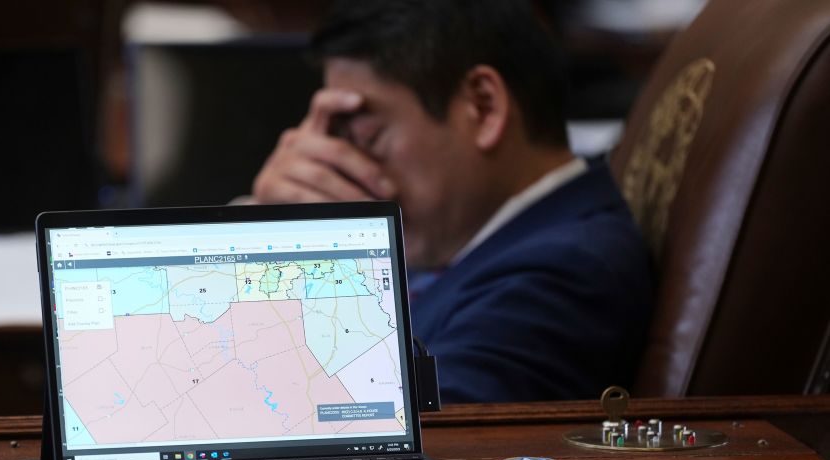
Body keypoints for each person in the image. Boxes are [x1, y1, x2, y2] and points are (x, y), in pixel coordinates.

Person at [251, 0, 655, 402]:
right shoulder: (472, 241)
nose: (342, 171)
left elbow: (407, 440)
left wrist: (292, 255)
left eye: (368, 139)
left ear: (483, 107)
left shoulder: (564, 272)